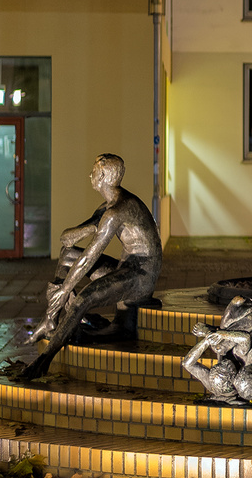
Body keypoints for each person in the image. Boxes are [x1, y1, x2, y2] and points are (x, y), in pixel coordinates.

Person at [20, 154, 162, 381]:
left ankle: (45, 359)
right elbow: (66, 240)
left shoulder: (118, 210)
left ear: (104, 176)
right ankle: (51, 320)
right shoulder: (108, 207)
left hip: (141, 276)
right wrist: (91, 227)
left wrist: (65, 290)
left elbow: (87, 259)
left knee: (82, 297)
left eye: (94, 171)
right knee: (67, 256)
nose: (90, 175)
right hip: (127, 267)